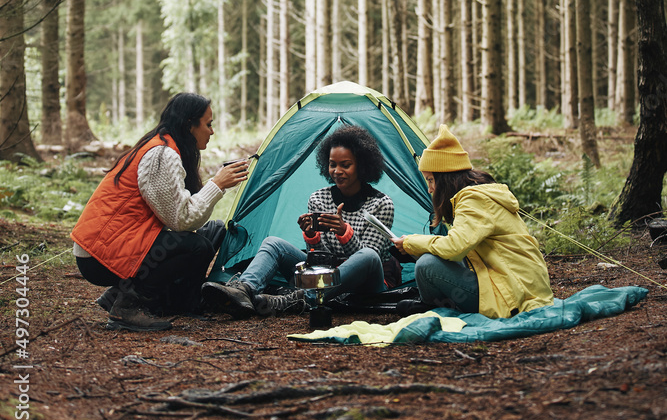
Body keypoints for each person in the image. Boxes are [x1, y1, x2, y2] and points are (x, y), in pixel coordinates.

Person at [71, 93, 248, 332]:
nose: (212, 131)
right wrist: (217, 185)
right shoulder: (161, 154)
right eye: (208, 124)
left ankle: (123, 295)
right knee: (198, 246)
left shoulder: (163, 146)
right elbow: (182, 220)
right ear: (189, 125)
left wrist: (215, 184)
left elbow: (177, 213)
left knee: (212, 231)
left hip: (111, 245)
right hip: (99, 255)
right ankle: (127, 305)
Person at [202, 124, 398, 317]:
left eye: (345, 165)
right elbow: (318, 259)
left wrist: (344, 233)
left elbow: (370, 263)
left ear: (362, 166)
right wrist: (312, 237)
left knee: (368, 256)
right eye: (332, 164)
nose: (337, 171)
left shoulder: (381, 205)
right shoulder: (319, 199)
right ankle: (244, 290)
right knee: (273, 244)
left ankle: (300, 299)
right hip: (325, 275)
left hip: (366, 284)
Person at [392, 125, 553, 317]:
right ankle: (437, 307)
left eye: (431, 180)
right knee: (431, 258)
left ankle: (438, 311)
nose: (430, 189)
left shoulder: (474, 201)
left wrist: (412, 242)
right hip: (509, 281)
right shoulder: (478, 194)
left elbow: (454, 246)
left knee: (427, 265)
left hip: (513, 292)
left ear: (444, 179)